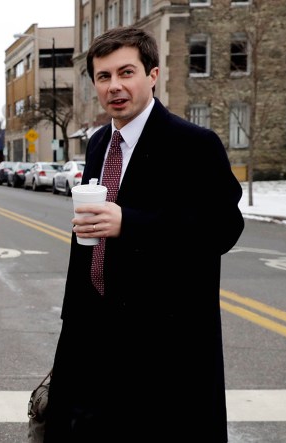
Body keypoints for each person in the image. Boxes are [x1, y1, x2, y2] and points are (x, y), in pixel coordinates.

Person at [44, 27, 244, 442]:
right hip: (95, 330)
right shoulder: (100, 143)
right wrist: (72, 328)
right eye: (103, 76)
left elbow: (223, 226)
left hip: (164, 342)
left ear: (152, 74)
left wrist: (129, 223)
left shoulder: (194, 144)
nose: (115, 86)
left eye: (126, 72)